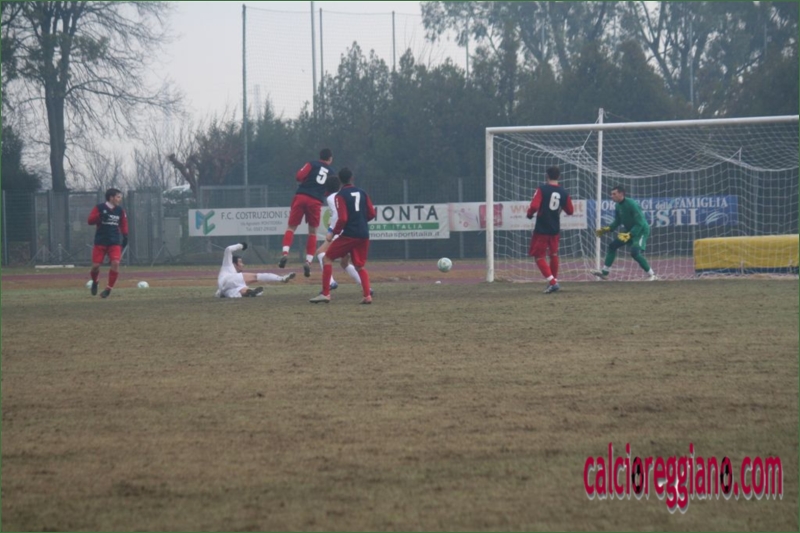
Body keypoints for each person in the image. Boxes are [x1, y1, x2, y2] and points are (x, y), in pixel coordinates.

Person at [310, 167, 376, 304]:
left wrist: (332, 232)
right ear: (352, 178)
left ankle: (326, 294)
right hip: (363, 233)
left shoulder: (340, 195)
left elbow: (343, 218)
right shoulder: (362, 192)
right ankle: (367, 296)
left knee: (327, 258)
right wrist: (360, 221)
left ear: (340, 180)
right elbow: (372, 214)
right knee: (359, 266)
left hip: (349, 235)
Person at [279, 148, 336, 278]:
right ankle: (308, 262)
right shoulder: (332, 173)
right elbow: (331, 189)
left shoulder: (311, 164)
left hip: (301, 196)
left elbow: (299, 176)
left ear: (320, 156)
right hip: (315, 201)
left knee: (291, 227)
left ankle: (285, 253)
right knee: (312, 232)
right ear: (330, 158)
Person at [591, 185, 658, 281]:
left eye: (614, 194)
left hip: (641, 231)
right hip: (629, 231)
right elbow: (617, 221)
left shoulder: (632, 204)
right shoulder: (617, 205)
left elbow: (640, 223)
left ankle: (652, 275)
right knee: (612, 246)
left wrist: (630, 234)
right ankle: (604, 273)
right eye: (611, 194)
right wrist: (608, 228)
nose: (611, 196)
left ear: (621, 194)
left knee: (634, 253)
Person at [526, 166, 574, 294]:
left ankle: (553, 283)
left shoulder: (542, 189)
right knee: (553, 254)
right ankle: (554, 281)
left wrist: (529, 214)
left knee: (539, 256)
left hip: (542, 228)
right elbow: (570, 211)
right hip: (555, 228)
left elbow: (534, 206)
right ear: (559, 177)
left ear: (547, 176)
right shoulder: (564, 192)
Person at [88, 188, 129, 298]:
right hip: (100, 241)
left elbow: (123, 223)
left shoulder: (120, 211)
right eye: (118, 197)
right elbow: (90, 221)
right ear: (111, 197)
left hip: (114, 242)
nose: (120, 199)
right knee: (95, 266)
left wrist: (125, 235)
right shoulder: (99, 208)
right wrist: (99, 216)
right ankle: (95, 281)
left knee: (115, 263)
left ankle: (108, 289)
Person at [217, 242, 296, 298]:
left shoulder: (229, 275)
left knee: (238, 291)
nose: (242, 264)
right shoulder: (228, 264)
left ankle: (249, 292)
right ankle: (281, 279)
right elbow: (228, 249)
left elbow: (220, 293)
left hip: (224, 288)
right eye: (240, 262)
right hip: (229, 279)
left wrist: (219, 293)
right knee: (257, 276)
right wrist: (241, 245)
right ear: (234, 264)